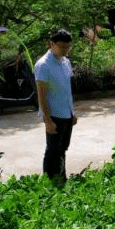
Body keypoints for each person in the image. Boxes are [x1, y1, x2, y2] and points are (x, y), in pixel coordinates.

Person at [34, 29, 77, 182]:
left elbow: (67, 89)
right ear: (51, 44)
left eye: (67, 47)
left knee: (63, 149)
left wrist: (73, 112)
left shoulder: (66, 62)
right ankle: (49, 181)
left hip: (67, 113)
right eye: (62, 47)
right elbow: (42, 96)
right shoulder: (43, 65)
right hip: (53, 115)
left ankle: (61, 178)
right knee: (52, 150)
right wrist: (47, 120)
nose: (65, 50)